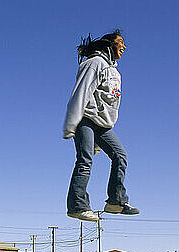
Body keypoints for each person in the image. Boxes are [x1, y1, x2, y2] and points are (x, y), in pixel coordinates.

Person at [63, 30, 139, 222]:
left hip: (103, 125)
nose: (124, 46)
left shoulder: (115, 72)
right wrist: (71, 124)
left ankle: (115, 201)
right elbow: (81, 92)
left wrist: (98, 141)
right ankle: (77, 206)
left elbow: (109, 104)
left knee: (120, 155)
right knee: (85, 161)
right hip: (85, 119)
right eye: (120, 42)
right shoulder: (94, 63)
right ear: (108, 45)